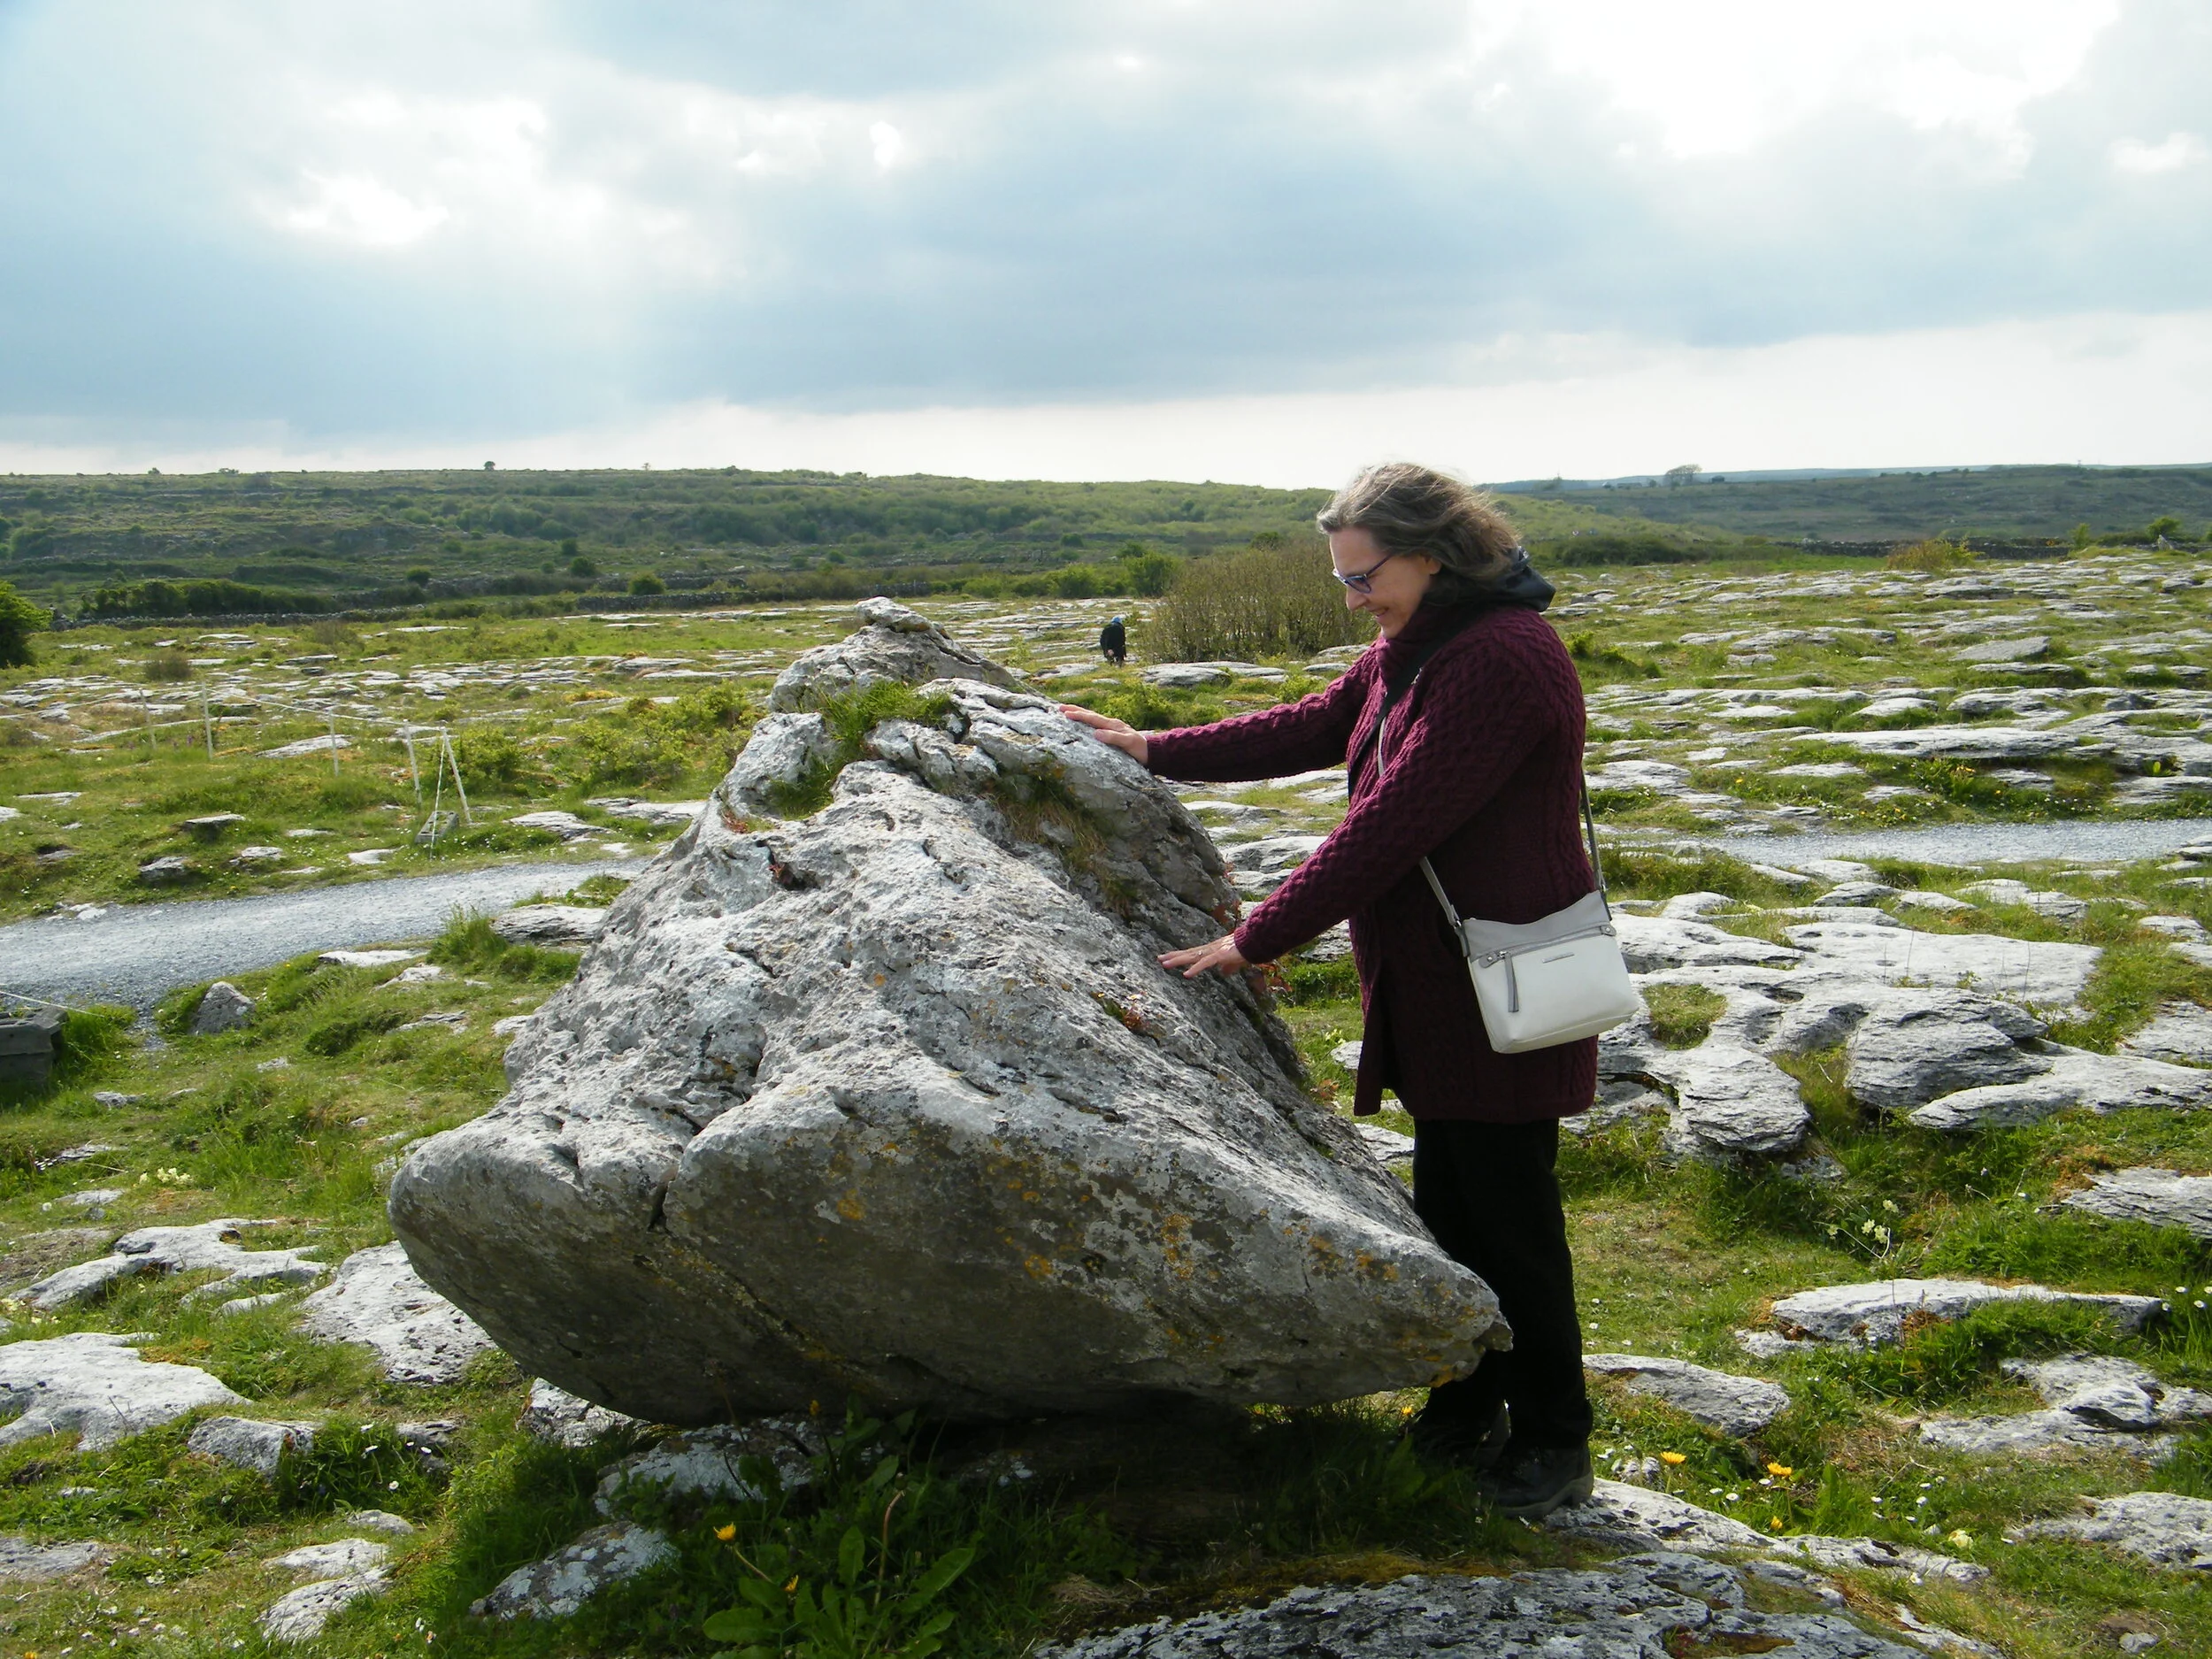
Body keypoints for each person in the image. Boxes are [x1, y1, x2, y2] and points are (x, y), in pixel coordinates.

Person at [1064, 462, 1597, 1520]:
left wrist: (1260, 933)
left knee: (1511, 1220)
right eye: (1344, 579)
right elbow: (1311, 724)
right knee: (1452, 1207)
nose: (1353, 600)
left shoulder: (1501, 655)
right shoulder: (1417, 645)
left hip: (1500, 982)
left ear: (1432, 555)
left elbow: (1396, 821)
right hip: (1441, 982)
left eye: (1364, 578)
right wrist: (1151, 749)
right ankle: (1462, 1410)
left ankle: (1553, 1439)